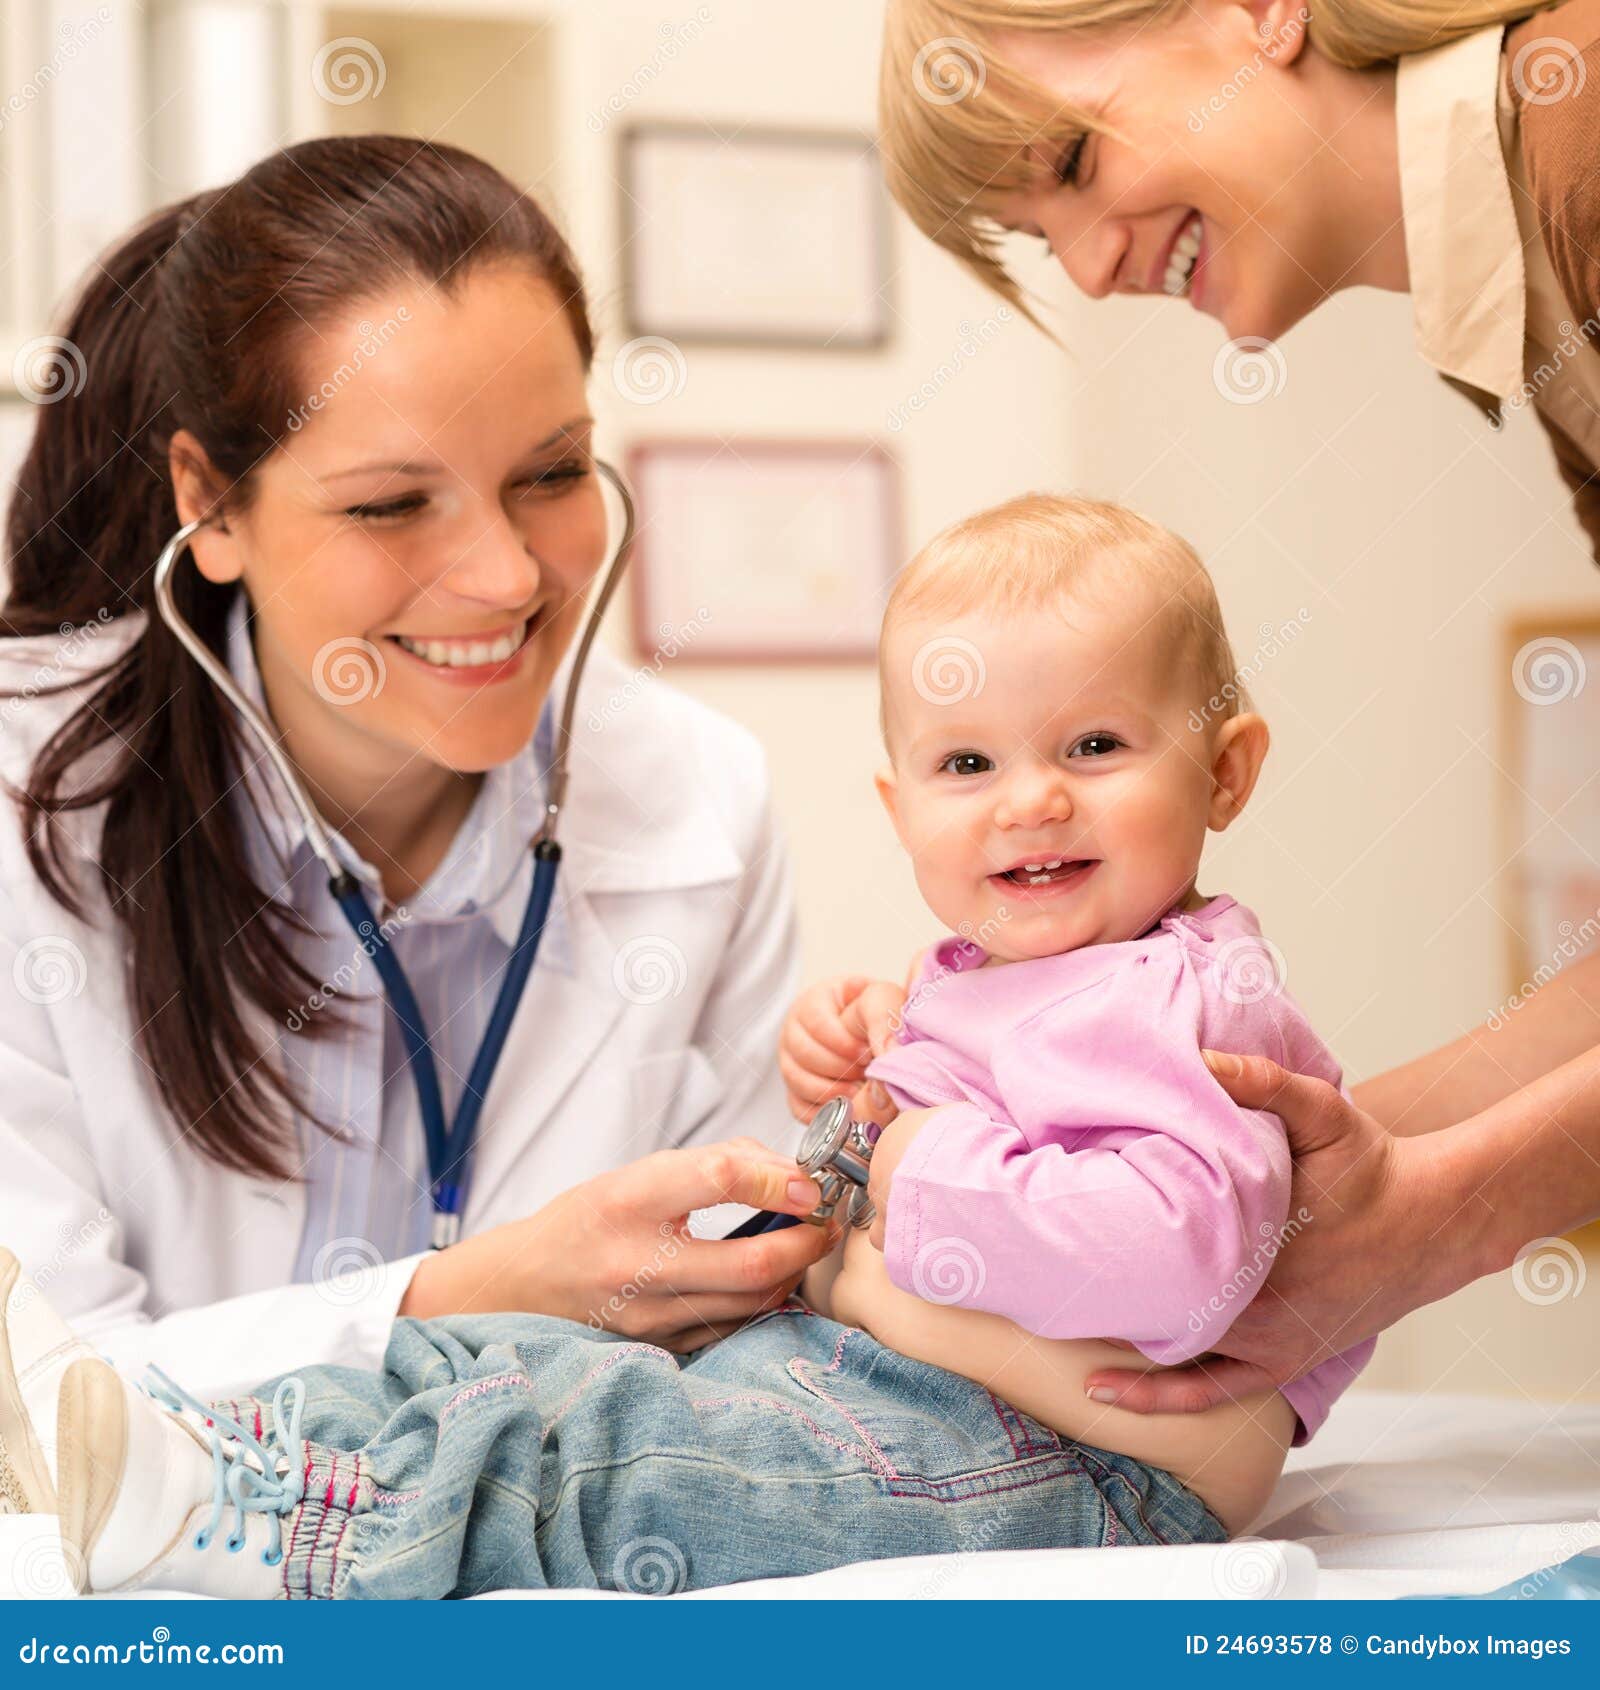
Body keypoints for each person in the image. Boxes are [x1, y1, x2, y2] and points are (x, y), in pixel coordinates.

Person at [17, 492, 1349, 1596]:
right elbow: (914, 1181)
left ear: (1225, 770)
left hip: (1073, 1470)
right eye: (967, 766)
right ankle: (205, 1450)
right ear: (899, 806)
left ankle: (296, 1531)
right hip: (881, 1386)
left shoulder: (1191, 996)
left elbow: (1184, 1255)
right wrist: (845, 1106)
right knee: (533, 1355)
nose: (1033, 799)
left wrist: (905, 1165)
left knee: (630, 1457)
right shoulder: (990, 974)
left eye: (1097, 744)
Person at [0, 132, 836, 1502]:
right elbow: (41, 1417)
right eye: (394, 502)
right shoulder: (24, 812)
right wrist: (466, 1297)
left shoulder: (699, 799)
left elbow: (741, 1338)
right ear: (210, 506)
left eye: (553, 472)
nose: (506, 576)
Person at [875, 0, 1600, 1413]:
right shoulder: (1544, 299)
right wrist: (1261, 1170)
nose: (1089, 270)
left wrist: (1443, 1216)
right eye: (1037, 237)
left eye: (1073, 163)